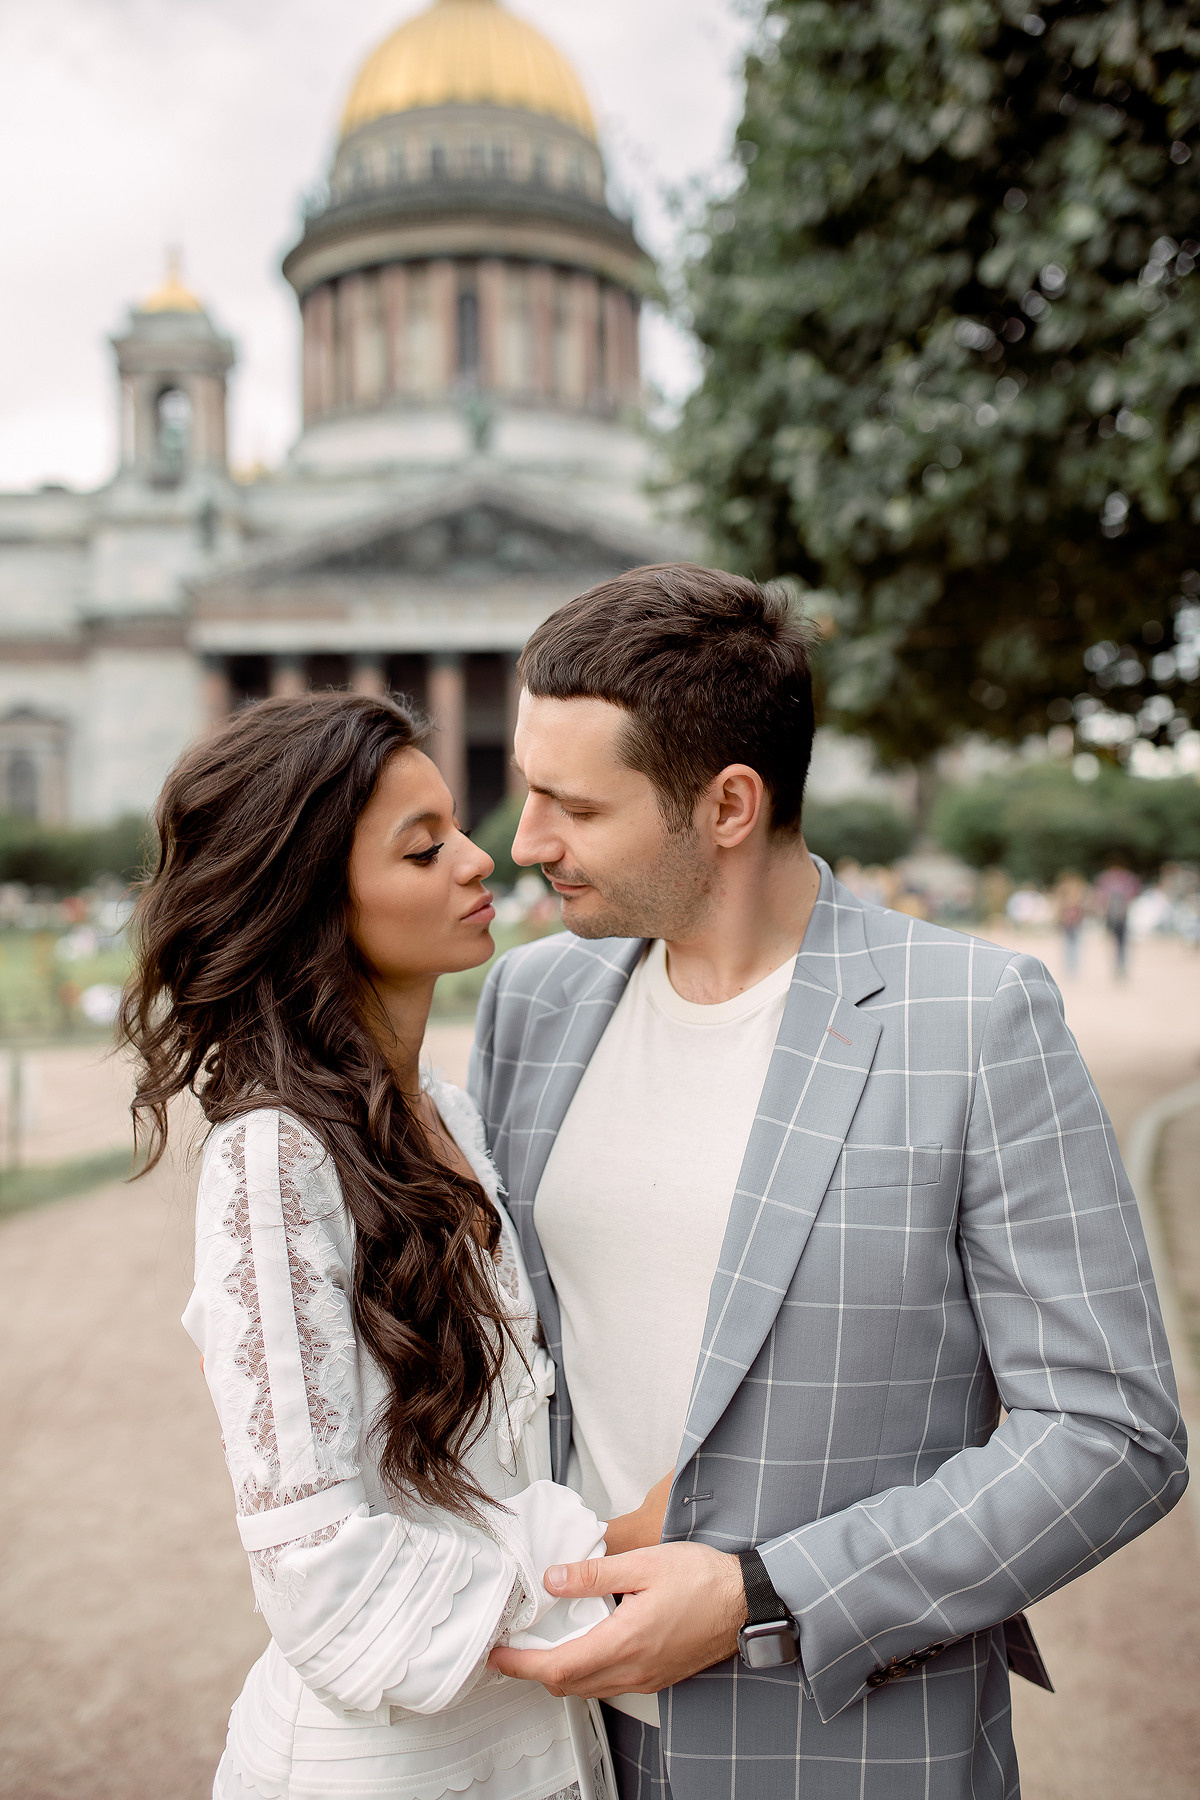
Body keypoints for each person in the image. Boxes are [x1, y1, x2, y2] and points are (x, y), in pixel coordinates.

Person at [467, 565, 1188, 1800]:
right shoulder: (531, 1004)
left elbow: (1113, 1435)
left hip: (846, 1748)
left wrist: (766, 1593)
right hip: (557, 1744)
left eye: (571, 805)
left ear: (729, 805)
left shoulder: (977, 1019)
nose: (525, 843)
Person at [119, 692, 664, 1800]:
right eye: (424, 849)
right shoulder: (273, 1157)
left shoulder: (446, 1114)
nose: (480, 858)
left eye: (454, 827)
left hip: (543, 1743)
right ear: (312, 901)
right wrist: (603, 1557)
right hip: (391, 1768)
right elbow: (316, 1577)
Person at [1094, 859, 1141, 978]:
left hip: (1117, 917)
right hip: (1118, 916)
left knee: (1118, 943)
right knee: (1120, 943)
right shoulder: (1126, 880)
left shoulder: (1107, 880)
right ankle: (1120, 967)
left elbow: (1100, 897)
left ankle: (1120, 967)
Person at [1051, 869, 1089, 976]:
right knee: (1072, 944)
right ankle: (1071, 967)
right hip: (1072, 922)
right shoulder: (1076, 894)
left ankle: (1071, 967)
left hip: (1071, 922)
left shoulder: (1068, 895)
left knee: (1070, 945)